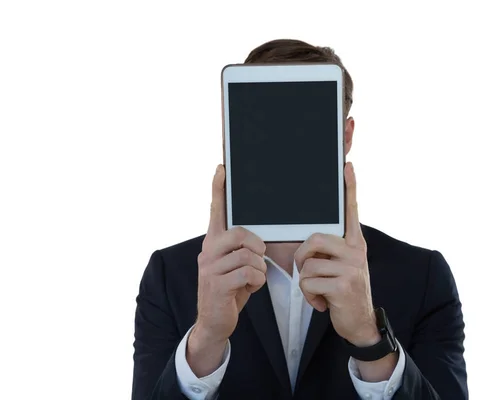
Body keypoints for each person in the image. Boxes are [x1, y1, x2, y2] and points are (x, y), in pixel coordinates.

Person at [132, 39, 468, 400]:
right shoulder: (171, 276)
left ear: (346, 135)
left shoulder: (423, 277)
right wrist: (205, 341)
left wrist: (370, 340)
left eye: (306, 122)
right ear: (230, 135)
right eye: (264, 123)